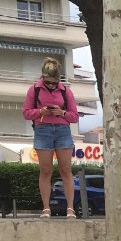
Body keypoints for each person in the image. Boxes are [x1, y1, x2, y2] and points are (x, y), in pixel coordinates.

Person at [22, 57, 79, 218]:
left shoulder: (65, 91)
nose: (52, 86)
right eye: (48, 83)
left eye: (54, 83)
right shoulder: (35, 90)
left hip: (62, 130)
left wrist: (62, 113)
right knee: (46, 170)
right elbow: (26, 113)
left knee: (66, 170)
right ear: (43, 78)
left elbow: (74, 116)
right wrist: (41, 112)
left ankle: (70, 208)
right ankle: (46, 208)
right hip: (43, 130)